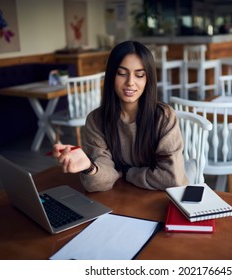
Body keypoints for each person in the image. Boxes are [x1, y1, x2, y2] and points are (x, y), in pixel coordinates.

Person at [52, 40, 189, 192]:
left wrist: (128, 173)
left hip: (165, 198)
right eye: (122, 73)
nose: (130, 82)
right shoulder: (96, 120)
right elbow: (99, 182)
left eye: (139, 75)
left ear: (148, 79)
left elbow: (172, 178)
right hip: (125, 196)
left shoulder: (164, 117)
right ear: (111, 76)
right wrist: (89, 167)